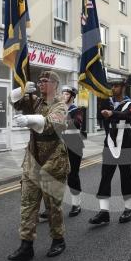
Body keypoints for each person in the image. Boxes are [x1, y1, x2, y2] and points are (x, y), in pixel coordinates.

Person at [7, 71, 69, 261]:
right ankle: (26, 245)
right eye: (40, 81)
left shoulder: (60, 105)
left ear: (55, 85)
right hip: (33, 158)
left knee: (53, 206)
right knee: (28, 204)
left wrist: (31, 119)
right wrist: (21, 90)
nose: (41, 84)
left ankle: (58, 239)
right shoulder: (35, 101)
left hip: (53, 161)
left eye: (46, 81)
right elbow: (14, 102)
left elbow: (52, 124)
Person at [89, 77, 131, 225]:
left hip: (125, 141)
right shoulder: (108, 101)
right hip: (110, 140)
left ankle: (129, 208)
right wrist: (102, 106)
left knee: (125, 175)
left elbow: (127, 116)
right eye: (112, 86)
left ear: (123, 88)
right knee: (105, 175)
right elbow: (98, 116)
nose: (113, 88)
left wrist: (111, 113)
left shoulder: (130, 103)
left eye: (116, 86)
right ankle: (104, 212)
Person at [61, 85, 85, 217]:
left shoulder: (78, 110)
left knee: (72, 175)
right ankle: (52, 207)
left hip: (74, 145)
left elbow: (77, 123)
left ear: (72, 96)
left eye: (66, 93)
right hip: (60, 145)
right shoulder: (58, 109)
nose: (63, 95)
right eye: (63, 93)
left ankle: (76, 204)